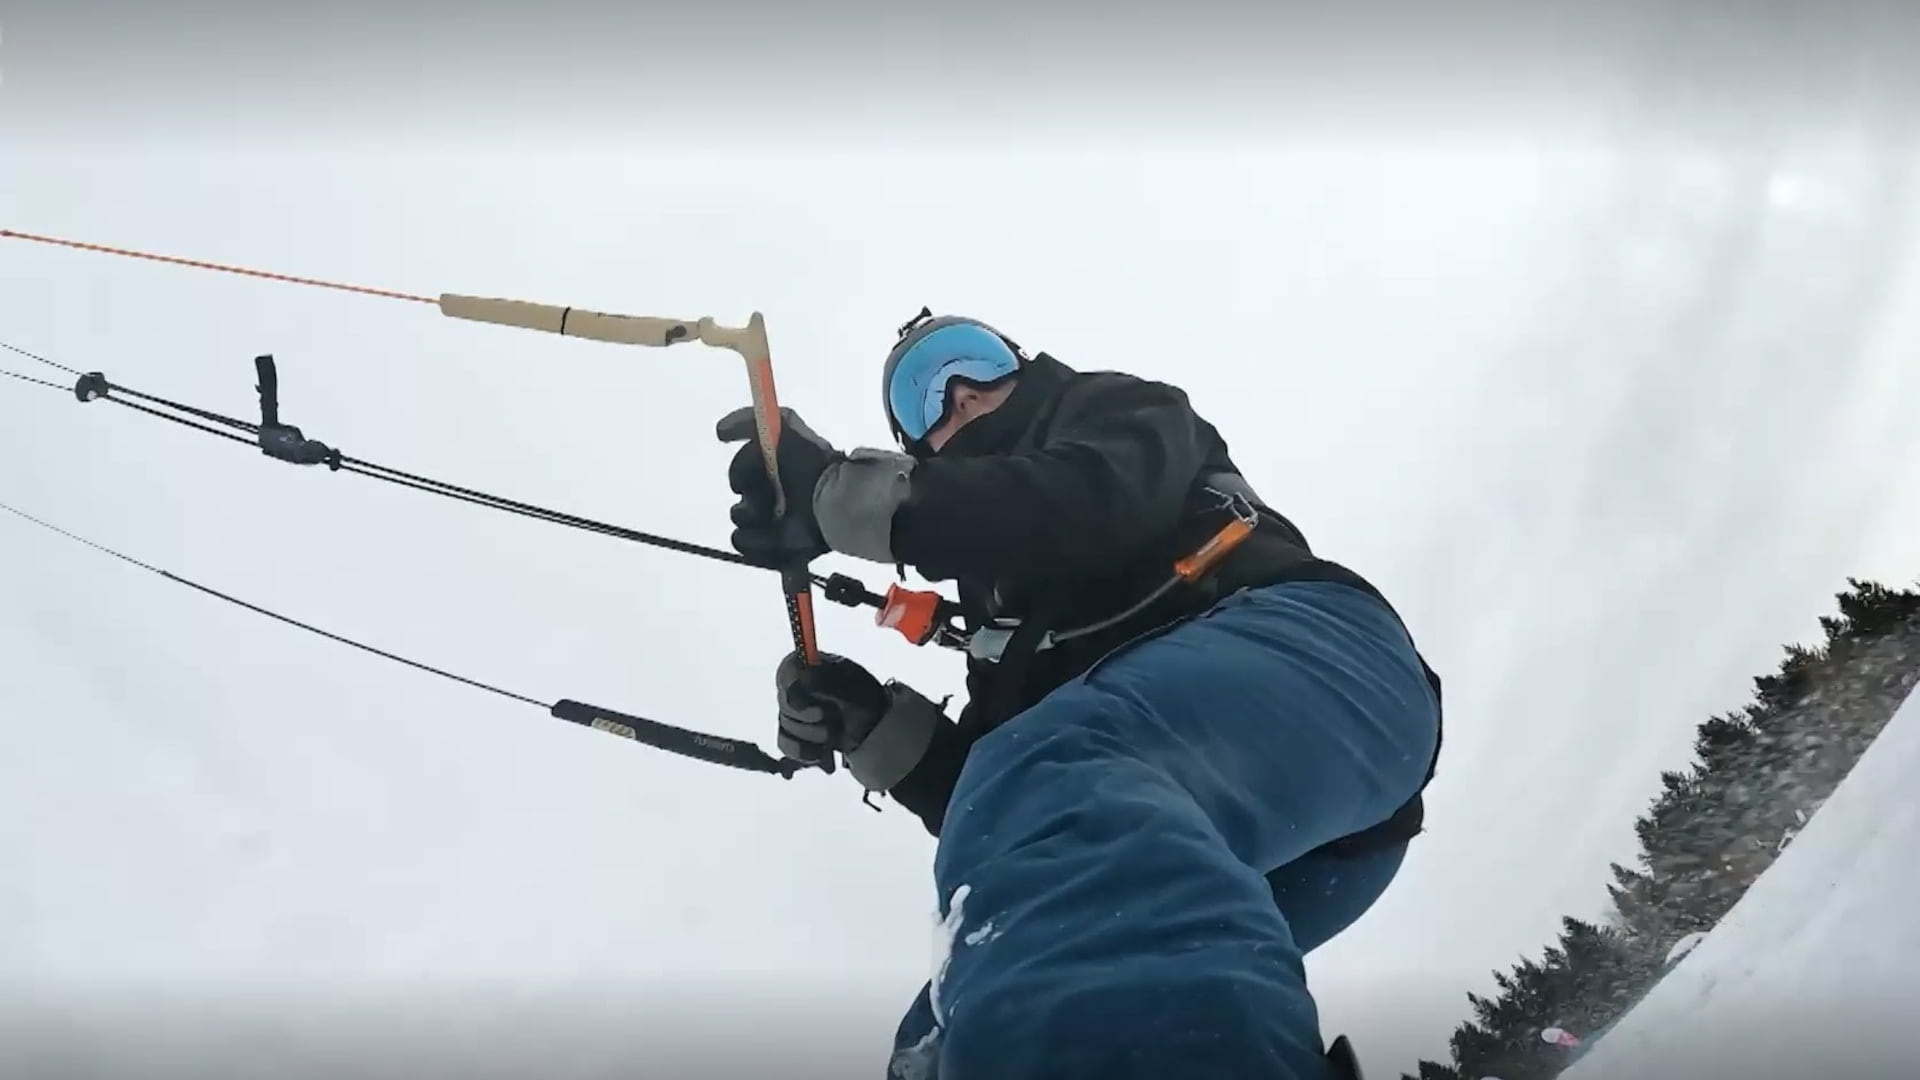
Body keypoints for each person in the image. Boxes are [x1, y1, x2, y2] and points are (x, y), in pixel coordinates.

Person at [715, 309, 1443, 1080]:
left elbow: (1089, 502)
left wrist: (847, 500)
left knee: (1049, 790)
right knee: (956, 1012)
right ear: (917, 445)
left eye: (972, 360)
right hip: (1280, 852)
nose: (957, 392)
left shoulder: (1118, 414)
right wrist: (873, 729)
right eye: (922, 398)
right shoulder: (1001, 607)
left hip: (1322, 673)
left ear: (1022, 364)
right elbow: (1015, 811)